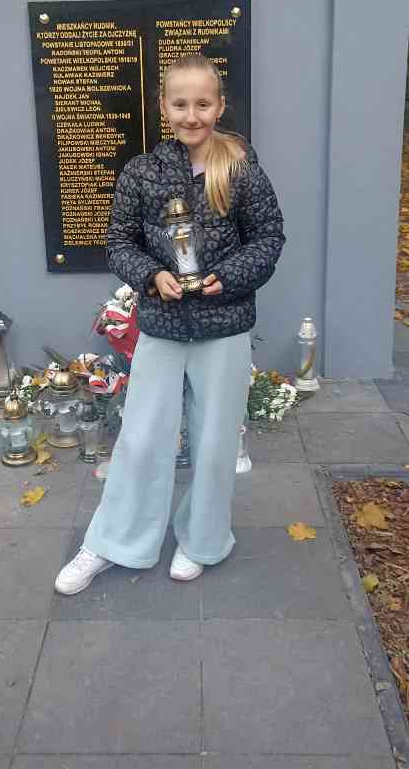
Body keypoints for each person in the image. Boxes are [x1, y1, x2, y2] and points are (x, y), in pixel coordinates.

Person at [55, 53, 286, 594]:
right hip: (161, 324)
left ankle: (201, 539)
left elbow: (268, 238)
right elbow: (120, 241)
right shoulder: (143, 172)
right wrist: (151, 275)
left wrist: (229, 276)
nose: (192, 115)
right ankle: (114, 541)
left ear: (220, 106)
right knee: (141, 438)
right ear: (163, 107)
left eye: (203, 104)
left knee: (214, 442)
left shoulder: (241, 169)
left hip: (224, 325)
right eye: (180, 104)